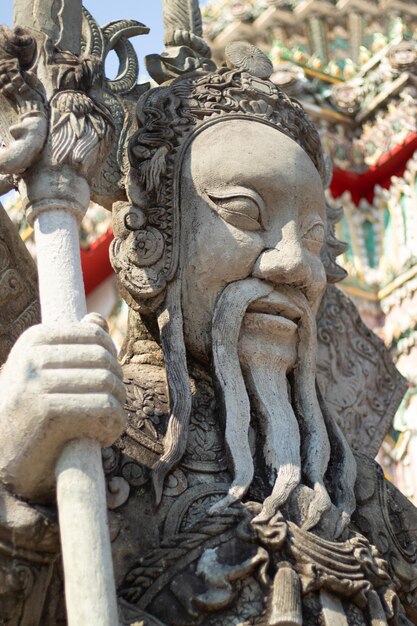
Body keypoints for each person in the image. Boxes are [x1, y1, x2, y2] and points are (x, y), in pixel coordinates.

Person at [0, 40, 416, 626]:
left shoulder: (368, 501)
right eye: (246, 214)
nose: (296, 264)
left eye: (317, 240)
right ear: (154, 243)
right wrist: (16, 483)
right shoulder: (99, 445)